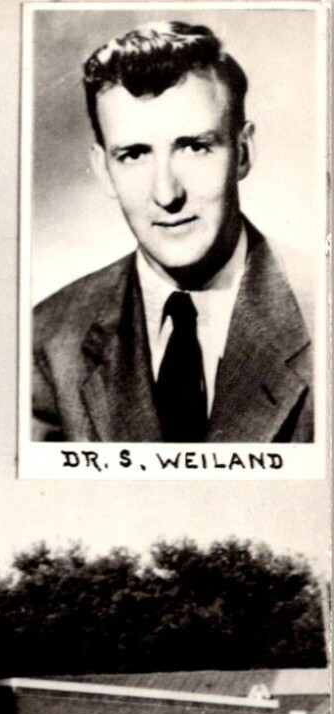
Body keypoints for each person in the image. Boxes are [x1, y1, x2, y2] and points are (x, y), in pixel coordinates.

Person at [32, 21, 313, 443]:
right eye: (133, 155)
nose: (167, 194)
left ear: (243, 153)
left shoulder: (320, 314)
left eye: (195, 147)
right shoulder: (50, 338)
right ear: (103, 170)